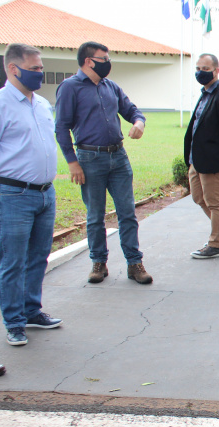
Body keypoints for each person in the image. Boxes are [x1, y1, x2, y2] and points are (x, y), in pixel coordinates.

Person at [0, 43, 63, 347]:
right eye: (35, 68)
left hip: (45, 193)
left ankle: (31, 311)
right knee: (13, 261)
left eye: (41, 67)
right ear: (13, 68)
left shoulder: (42, 104)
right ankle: (13, 322)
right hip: (12, 194)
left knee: (38, 257)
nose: (40, 73)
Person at [55, 41, 152, 285]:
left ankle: (134, 263)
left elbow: (132, 111)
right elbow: (61, 128)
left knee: (127, 213)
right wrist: (72, 162)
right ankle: (99, 262)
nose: (108, 62)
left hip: (118, 157)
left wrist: (139, 122)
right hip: (89, 159)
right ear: (89, 61)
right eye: (104, 58)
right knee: (95, 215)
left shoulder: (111, 87)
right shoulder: (69, 87)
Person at [184, 53, 219, 259]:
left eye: (205, 69)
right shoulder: (205, 94)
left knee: (215, 203)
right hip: (196, 159)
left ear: (216, 71)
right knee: (198, 198)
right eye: (198, 69)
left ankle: (216, 244)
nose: (200, 73)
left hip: (213, 161)